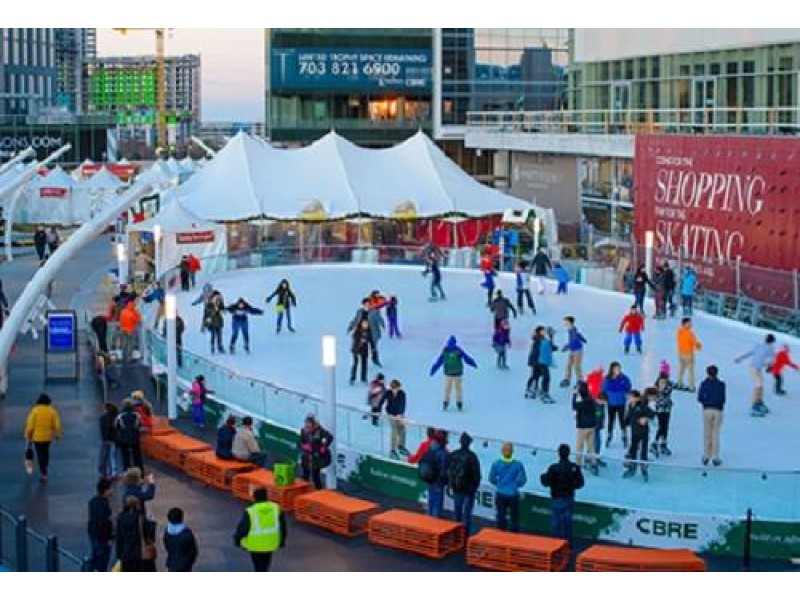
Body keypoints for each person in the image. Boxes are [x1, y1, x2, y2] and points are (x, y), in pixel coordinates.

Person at [233, 487, 287, 572]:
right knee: (266, 564)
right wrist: (282, 541)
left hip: (255, 545)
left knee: (258, 567)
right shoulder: (276, 508)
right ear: (267, 496)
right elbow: (283, 527)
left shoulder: (251, 511)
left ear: (254, 498)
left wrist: (237, 539)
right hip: (271, 542)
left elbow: (243, 528)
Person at [540, 443, 584, 542]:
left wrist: (543, 477)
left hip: (556, 499)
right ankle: (568, 545)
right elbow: (580, 483)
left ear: (558, 454)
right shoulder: (574, 467)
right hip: (569, 498)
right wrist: (571, 486)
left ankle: (555, 545)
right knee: (568, 524)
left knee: (556, 524)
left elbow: (546, 482)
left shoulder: (553, 468)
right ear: (569, 453)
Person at [430, 335, 478, 411]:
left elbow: (439, 361)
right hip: (458, 373)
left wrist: (433, 370)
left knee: (447, 389)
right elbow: (466, 358)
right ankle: (459, 403)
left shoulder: (445, 350)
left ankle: (446, 402)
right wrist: (473, 363)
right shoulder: (458, 350)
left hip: (448, 373)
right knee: (458, 389)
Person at [446, 432, 481, 534]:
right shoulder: (472, 456)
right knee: (467, 513)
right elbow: (477, 474)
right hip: (468, 490)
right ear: (469, 443)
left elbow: (448, 470)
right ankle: (465, 532)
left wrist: (450, 484)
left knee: (457, 510)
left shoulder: (454, 454)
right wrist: (474, 487)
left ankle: (456, 531)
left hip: (457, 487)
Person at [489, 442, 527, 532]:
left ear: (502, 451)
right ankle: (513, 538)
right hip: (513, 494)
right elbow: (523, 481)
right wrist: (515, 484)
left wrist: (499, 483)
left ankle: (500, 536)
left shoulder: (496, 464)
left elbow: (491, 478)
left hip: (501, 493)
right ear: (512, 452)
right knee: (514, 519)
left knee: (501, 517)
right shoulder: (518, 465)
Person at [735, 334, 777, 417]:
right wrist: (770, 366)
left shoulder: (760, 345)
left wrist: (740, 358)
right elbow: (772, 359)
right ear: (772, 341)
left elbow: (750, 353)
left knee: (761, 385)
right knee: (759, 386)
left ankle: (759, 402)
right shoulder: (769, 348)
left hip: (755, 368)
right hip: (754, 369)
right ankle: (754, 406)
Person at [24, 393, 62, 482]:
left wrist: (28, 435)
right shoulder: (52, 411)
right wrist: (57, 434)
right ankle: (45, 468)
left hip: (37, 437)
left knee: (40, 453)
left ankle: (43, 472)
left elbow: (30, 425)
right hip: (47, 438)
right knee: (46, 453)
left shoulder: (35, 410)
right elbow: (57, 425)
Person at [116, 496, 156, 572]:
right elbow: (150, 536)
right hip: (140, 552)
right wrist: (152, 523)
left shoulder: (120, 518)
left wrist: (119, 555)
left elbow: (119, 538)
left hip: (126, 552)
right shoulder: (141, 518)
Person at [623, 390, 654, 481]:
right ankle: (632, 468)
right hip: (634, 432)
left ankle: (644, 469)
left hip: (643, 432)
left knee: (643, 451)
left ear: (637, 398)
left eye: (631, 396)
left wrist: (645, 418)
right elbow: (630, 417)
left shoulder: (642, 406)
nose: (629, 398)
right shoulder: (630, 405)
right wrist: (624, 423)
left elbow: (651, 413)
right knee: (633, 450)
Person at [698, 365, 725, 466]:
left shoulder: (704, 384)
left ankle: (706, 455)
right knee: (716, 433)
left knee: (707, 433)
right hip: (718, 410)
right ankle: (715, 456)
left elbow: (700, 398)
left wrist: (706, 402)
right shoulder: (721, 384)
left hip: (707, 410)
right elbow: (723, 398)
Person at [298, 414, 333, 490]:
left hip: (316, 458)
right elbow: (299, 443)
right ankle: (303, 490)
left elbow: (329, 437)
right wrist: (304, 446)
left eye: (309, 424)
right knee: (305, 475)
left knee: (315, 477)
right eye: (306, 423)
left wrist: (324, 446)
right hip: (306, 457)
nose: (307, 426)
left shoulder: (319, 431)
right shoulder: (303, 431)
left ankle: (319, 492)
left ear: (313, 424)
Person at [418, 432, 448, 518]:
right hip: (438, 481)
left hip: (430, 479)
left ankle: (429, 516)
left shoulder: (430, 449)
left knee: (431, 499)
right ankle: (435, 521)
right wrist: (443, 481)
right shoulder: (442, 453)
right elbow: (443, 468)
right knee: (437, 502)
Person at [602, 362, 632, 448]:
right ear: (612, 369)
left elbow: (628, 386)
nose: (617, 370)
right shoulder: (607, 379)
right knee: (611, 421)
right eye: (615, 368)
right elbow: (603, 389)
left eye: (618, 368)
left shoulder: (624, 378)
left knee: (622, 420)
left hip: (621, 403)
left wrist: (625, 394)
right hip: (611, 403)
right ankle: (609, 435)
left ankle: (624, 435)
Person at [87, 477, 114, 572]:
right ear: (105, 491)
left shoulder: (92, 501)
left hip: (93, 535)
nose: (112, 490)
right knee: (102, 562)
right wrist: (109, 538)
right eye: (110, 488)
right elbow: (103, 523)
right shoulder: (104, 506)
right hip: (102, 539)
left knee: (96, 559)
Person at [347, 298, 384, 367]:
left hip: (371, 332)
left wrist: (383, 325)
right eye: (365, 304)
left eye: (368, 304)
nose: (367, 306)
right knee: (361, 346)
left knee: (373, 346)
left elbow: (380, 319)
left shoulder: (375, 312)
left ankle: (375, 359)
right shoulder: (359, 311)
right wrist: (350, 327)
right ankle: (360, 359)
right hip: (362, 332)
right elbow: (355, 320)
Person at [572, 382, 598, 475]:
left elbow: (574, 406)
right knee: (591, 446)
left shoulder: (585, 401)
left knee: (579, 445)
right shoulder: (590, 399)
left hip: (583, 427)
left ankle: (578, 464)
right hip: (592, 426)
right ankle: (593, 463)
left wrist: (574, 395)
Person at [163, 507, 199, 572]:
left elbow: (166, 546)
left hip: (172, 561)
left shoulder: (167, 531)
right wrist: (191, 561)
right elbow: (193, 550)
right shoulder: (186, 533)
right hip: (184, 563)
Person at [381, 379, 409, 459]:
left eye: (397, 388)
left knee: (402, 429)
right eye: (393, 388)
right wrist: (378, 409)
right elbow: (382, 401)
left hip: (399, 414)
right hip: (391, 414)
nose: (395, 390)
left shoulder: (402, 394)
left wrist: (400, 414)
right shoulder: (388, 393)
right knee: (394, 431)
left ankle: (401, 446)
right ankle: (392, 450)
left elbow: (403, 404)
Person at [114, 398, 143, 471]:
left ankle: (127, 470)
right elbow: (139, 425)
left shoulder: (120, 416)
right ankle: (139, 470)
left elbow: (117, 427)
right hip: (134, 438)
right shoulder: (137, 415)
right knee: (136, 455)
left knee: (125, 456)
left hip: (124, 439)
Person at [560, 316, 587, 388]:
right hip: (572, 350)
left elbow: (574, 340)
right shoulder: (571, 330)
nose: (565, 324)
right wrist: (583, 339)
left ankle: (580, 380)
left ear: (571, 323)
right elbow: (578, 335)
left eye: (566, 322)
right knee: (568, 365)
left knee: (576, 366)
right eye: (565, 322)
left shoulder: (573, 330)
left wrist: (566, 347)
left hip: (577, 350)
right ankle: (567, 379)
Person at [676, 317, 702, 392]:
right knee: (691, 371)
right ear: (685, 324)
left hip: (681, 353)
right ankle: (691, 386)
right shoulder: (689, 333)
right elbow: (695, 344)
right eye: (689, 323)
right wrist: (699, 346)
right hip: (688, 355)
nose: (691, 324)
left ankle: (679, 383)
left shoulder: (679, 331)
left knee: (681, 369)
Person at [650, 376, 674, 457]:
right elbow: (655, 398)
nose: (663, 384)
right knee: (661, 427)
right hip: (660, 410)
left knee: (665, 427)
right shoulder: (656, 391)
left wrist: (666, 378)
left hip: (667, 410)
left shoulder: (668, 389)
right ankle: (654, 443)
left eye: (664, 382)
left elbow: (672, 386)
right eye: (661, 382)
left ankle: (663, 444)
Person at [349, 319, 376, 385]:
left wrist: (373, 348)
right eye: (364, 323)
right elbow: (354, 338)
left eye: (366, 324)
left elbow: (371, 340)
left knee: (364, 364)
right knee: (355, 363)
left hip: (364, 350)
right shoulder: (357, 331)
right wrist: (361, 339)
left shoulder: (369, 331)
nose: (365, 325)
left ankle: (363, 378)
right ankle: (353, 378)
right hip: (356, 349)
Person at [98, 402, 118, 478]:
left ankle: (103, 471)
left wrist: (105, 438)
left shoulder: (103, 418)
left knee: (104, 456)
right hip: (113, 439)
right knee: (112, 456)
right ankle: (113, 472)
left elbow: (104, 428)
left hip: (106, 439)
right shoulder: (116, 417)